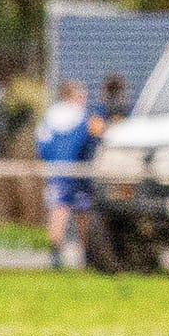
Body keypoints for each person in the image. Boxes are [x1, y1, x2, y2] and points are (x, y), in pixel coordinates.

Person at [37, 80, 103, 270]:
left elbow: (42, 147)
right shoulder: (83, 117)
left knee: (59, 210)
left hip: (56, 172)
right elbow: (92, 141)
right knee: (82, 212)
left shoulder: (49, 117)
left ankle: (55, 258)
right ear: (73, 96)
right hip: (79, 172)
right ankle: (85, 257)